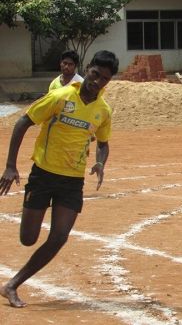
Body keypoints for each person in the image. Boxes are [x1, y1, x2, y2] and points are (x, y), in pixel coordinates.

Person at [0, 50, 119, 308]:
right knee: (28, 238)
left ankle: (12, 285)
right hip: (43, 174)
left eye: (104, 79)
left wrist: (100, 161)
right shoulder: (61, 96)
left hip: (72, 181)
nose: (97, 82)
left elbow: (103, 142)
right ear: (87, 69)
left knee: (59, 236)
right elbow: (22, 123)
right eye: (95, 74)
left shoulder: (103, 110)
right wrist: (10, 166)